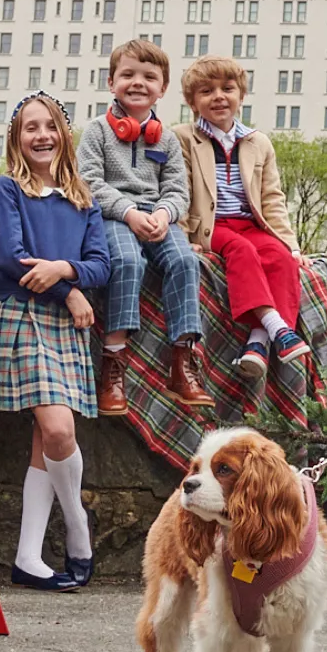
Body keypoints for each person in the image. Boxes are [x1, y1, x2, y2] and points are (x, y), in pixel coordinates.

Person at [0, 92, 110, 591]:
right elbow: (12, 259)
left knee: (46, 440)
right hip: (25, 316)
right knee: (57, 431)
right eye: (30, 128)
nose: (42, 136)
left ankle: (28, 557)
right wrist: (70, 292)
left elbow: (102, 264)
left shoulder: (83, 198)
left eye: (50, 126)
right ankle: (78, 528)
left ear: (64, 134)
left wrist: (64, 270)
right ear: (17, 138)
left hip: (65, 324)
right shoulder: (7, 191)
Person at [77, 39, 213, 416]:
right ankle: (113, 363)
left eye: (149, 77)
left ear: (163, 88)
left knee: (185, 261)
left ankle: (182, 361)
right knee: (128, 262)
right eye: (128, 74)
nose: (138, 82)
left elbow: (177, 190)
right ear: (111, 82)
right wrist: (128, 212)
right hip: (113, 216)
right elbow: (88, 182)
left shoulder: (167, 139)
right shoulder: (96, 131)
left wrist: (166, 215)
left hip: (157, 217)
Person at [174, 55, 309, 378]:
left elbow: (272, 198)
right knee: (242, 252)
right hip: (211, 226)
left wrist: (291, 244)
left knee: (280, 259)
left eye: (227, 88)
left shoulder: (257, 142)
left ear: (241, 95)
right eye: (206, 91)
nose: (219, 96)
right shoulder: (183, 137)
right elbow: (177, 191)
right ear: (193, 101)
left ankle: (258, 342)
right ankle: (278, 328)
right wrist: (180, 240)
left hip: (250, 224)